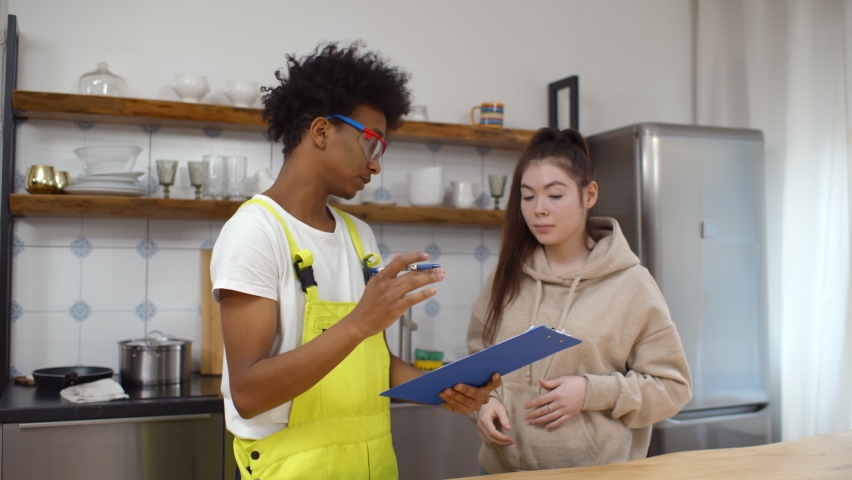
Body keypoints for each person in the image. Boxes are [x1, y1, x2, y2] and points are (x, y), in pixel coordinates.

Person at [212, 42, 500, 479]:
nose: (376, 165)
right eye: (372, 143)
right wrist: (361, 321)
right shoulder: (255, 232)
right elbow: (249, 392)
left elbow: (374, 364)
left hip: (373, 463)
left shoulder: (357, 234)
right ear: (322, 131)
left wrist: (447, 388)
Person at [467, 127, 692, 474]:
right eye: (528, 197)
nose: (538, 210)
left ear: (589, 195)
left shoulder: (631, 284)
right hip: (500, 471)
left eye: (554, 195)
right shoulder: (506, 274)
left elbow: (674, 388)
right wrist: (483, 404)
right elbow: (476, 364)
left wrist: (591, 392)